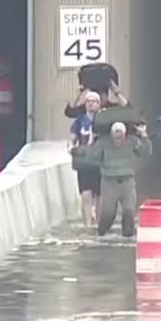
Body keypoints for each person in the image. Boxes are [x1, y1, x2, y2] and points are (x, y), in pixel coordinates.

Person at [71, 121, 151, 237]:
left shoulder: (132, 141)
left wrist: (144, 136)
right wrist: (76, 152)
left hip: (127, 182)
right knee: (108, 215)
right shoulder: (103, 143)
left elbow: (145, 152)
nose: (118, 138)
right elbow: (91, 155)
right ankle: (101, 234)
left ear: (124, 134)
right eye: (116, 134)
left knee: (129, 214)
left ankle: (127, 237)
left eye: (121, 134)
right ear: (111, 134)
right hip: (109, 183)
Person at [68, 90, 102, 229]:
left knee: (100, 194)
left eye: (94, 101)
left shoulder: (104, 119)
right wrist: (71, 148)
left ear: (99, 104)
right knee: (86, 193)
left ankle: (99, 222)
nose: (91, 104)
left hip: (99, 160)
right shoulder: (80, 120)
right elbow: (72, 139)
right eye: (88, 101)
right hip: (84, 160)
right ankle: (88, 224)